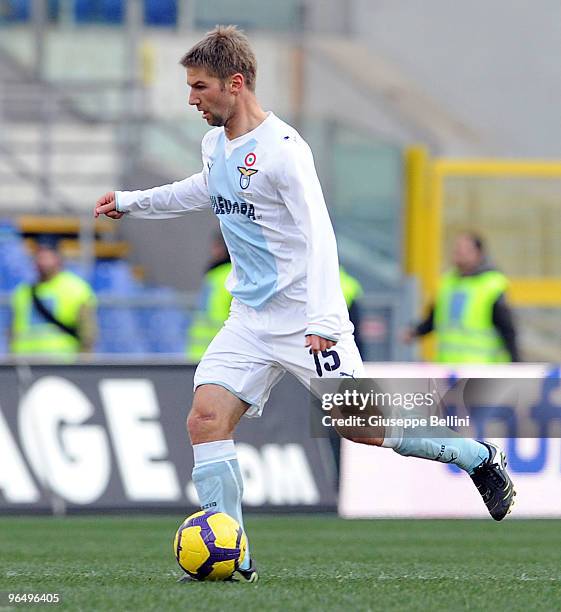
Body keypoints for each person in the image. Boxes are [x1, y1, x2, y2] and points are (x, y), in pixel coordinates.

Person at [94, 26, 515, 582]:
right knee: (205, 419)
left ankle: (477, 458)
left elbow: (321, 237)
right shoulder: (215, 143)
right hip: (248, 320)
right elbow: (205, 188)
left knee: (362, 428)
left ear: (235, 83)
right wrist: (133, 202)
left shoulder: (286, 153)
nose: (191, 99)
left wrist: (320, 319)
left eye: (199, 87)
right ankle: (232, 552)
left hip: (307, 322)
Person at [404, 232, 520, 363]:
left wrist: (516, 362)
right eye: (456, 249)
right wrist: (415, 332)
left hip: (480, 368)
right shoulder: (447, 282)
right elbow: (434, 319)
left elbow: (507, 328)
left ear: (478, 253)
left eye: (464, 249)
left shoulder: (491, 284)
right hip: (447, 369)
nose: (458, 253)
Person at [9, 238, 97, 356]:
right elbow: (13, 329)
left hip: (62, 361)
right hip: (25, 361)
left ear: (58, 260)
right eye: (39, 258)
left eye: (47, 258)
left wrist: (84, 360)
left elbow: (88, 331)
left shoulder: (76, 289)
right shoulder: (22, 291)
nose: (42, 262)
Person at [186, 231, 232, 362]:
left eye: (217, 246)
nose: (213, 251)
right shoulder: (225, 274)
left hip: (207, 352)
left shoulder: (225, 275)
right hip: (219, 352)